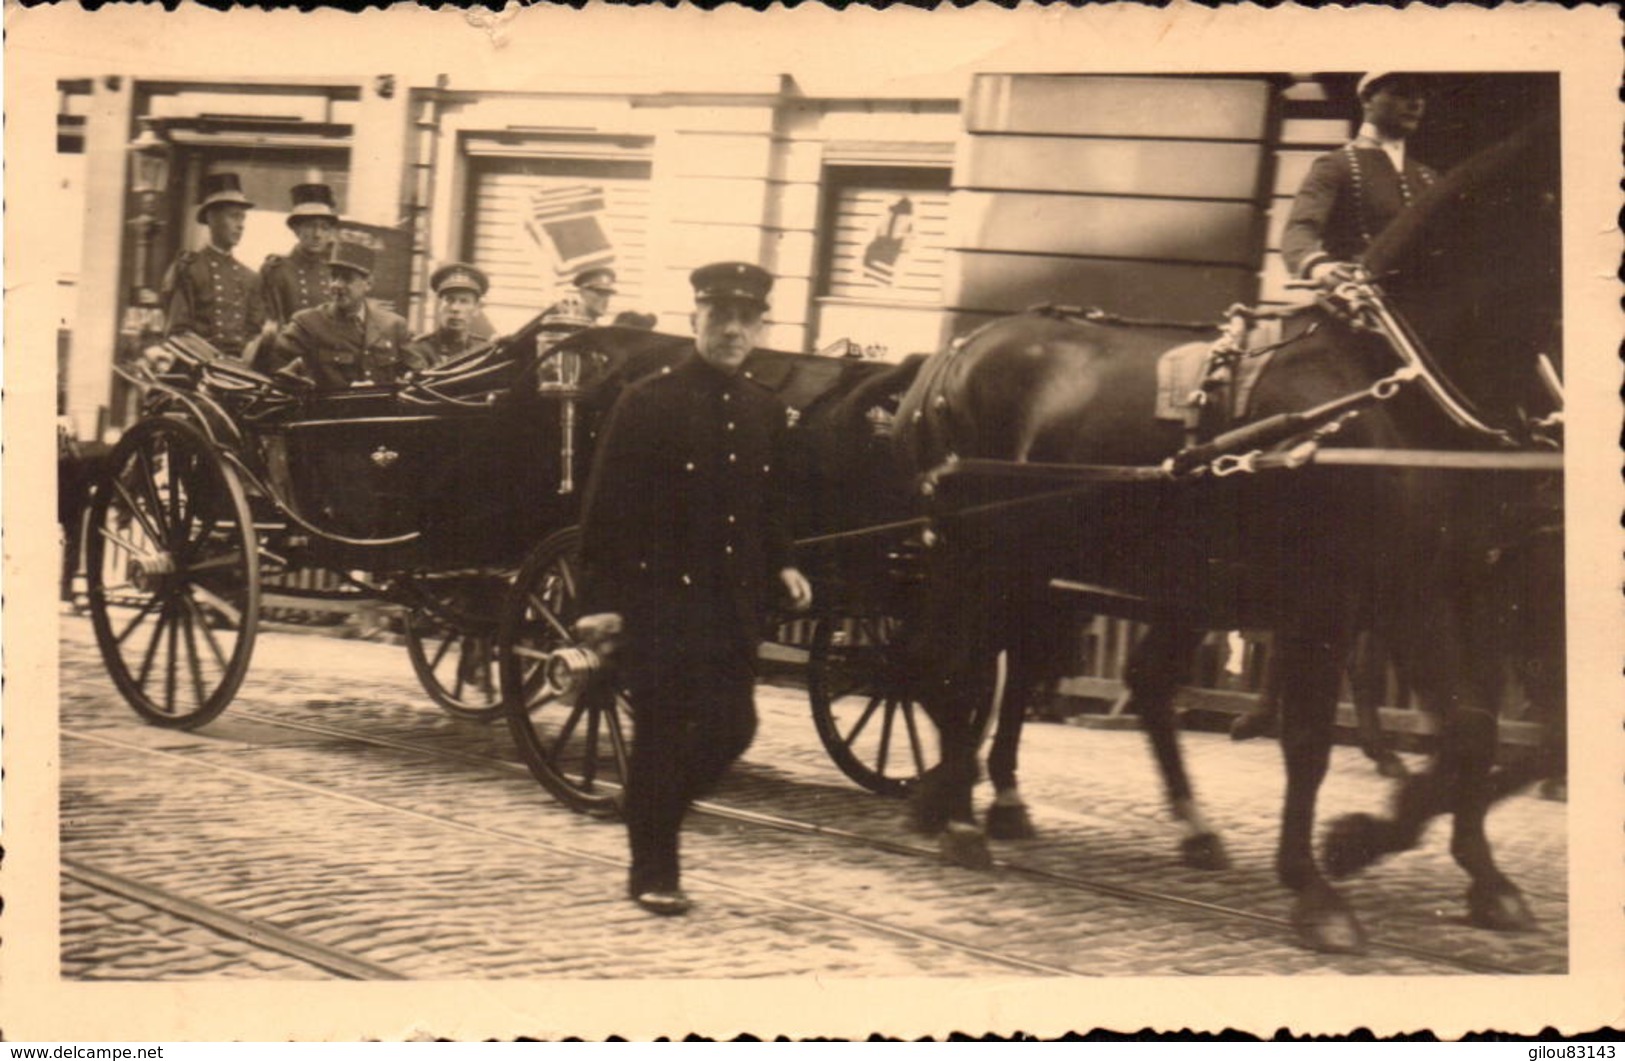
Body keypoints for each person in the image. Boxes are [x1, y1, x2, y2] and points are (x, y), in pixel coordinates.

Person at [574, 261, 814, 917]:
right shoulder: (647, 401)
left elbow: (769, 504)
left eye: (746, 318)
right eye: (719, 317)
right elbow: (606, 510)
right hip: (659, 605)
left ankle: (652, 808)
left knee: (734, 728)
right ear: (695, 321)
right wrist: (600, 602)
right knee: (658, 736)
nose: (733, 330)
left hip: (730, 605)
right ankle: (654, 869)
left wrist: (784, 562)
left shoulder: (763, 408)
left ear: (760, 326)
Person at [1281, 72, 1438, 288]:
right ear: (1367, 100)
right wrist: (1320, 267)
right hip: (1359, 302)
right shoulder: (1337, 164)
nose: (1415, 103)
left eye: (1420, 96)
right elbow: (1299, 232)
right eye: (1401, 93)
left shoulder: (1427, 177)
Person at [265, 228, 421, 388]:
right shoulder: (307, 324)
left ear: (368, 284)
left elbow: (418, 373)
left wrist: (406, 380)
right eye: (334, 276)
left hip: (382, 411)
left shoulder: (393, 326)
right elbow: (276, 371)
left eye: (347, 278)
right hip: (329, 412)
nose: (336, 285)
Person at [160, 172, 266, 360]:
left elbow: (255, 332)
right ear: (211, 218)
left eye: (242, 218)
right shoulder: (188, 269)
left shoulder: (251, 277)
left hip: (240, 370)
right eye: (233, 216)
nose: (240, 225)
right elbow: (177, 332)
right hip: (197, 366)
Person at [409, 263, 493, 367]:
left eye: (464, 301)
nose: (455, 308)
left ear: (476, 309)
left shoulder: (483, 349)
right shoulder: (419, 349)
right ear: (439, 306)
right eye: (449, 300)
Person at [540, 266, 617, 327]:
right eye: (600, 292)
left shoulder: (600, 333)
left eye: (608, 294)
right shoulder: (563, 324)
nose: (605, 299)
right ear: (582, 292)